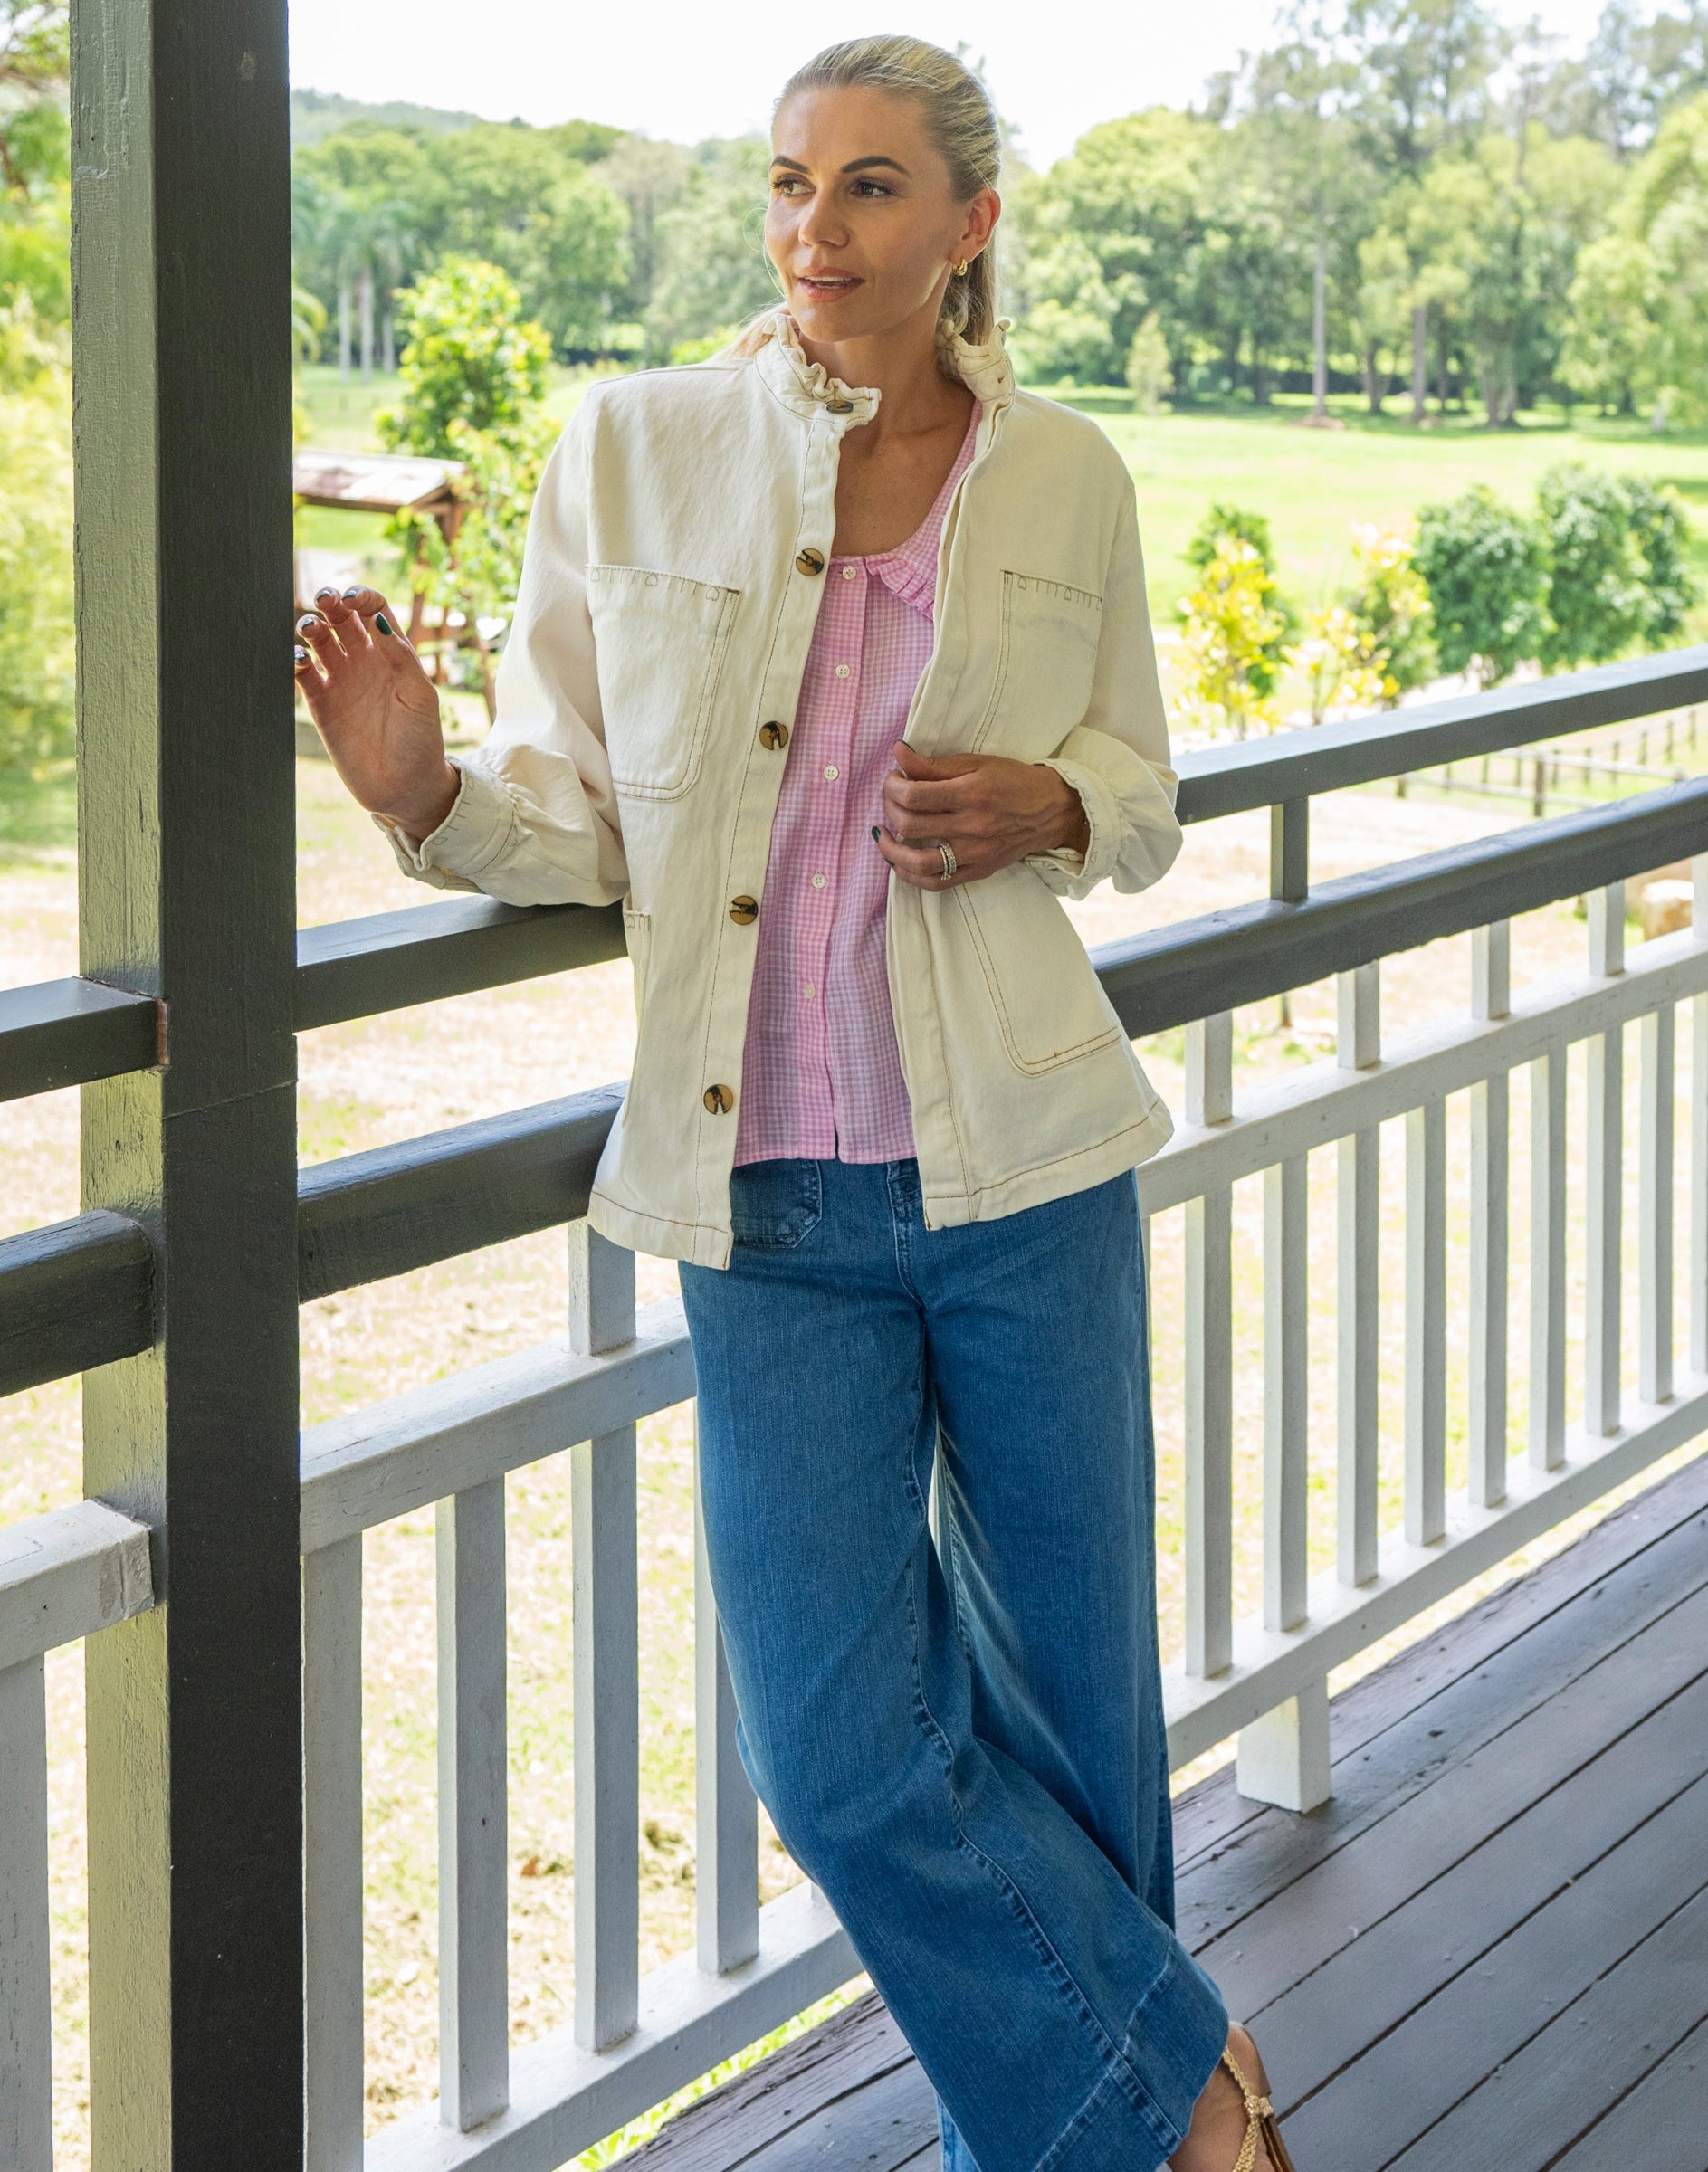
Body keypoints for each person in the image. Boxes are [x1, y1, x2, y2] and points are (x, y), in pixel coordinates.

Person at [291, 33, 1296, 2172]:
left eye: (864, 189)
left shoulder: (1070, 478)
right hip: (768, 1205)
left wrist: (1053, 797)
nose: (810, 232)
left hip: (1023, 1165)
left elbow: (1143, 791)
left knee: (1075, 1721)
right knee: (843, 1757)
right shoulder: (637, 453)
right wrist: (423, 795)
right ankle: (1197, 2105)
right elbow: (585, 812)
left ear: (967, 223)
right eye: (785, 185)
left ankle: (1086, 2146)